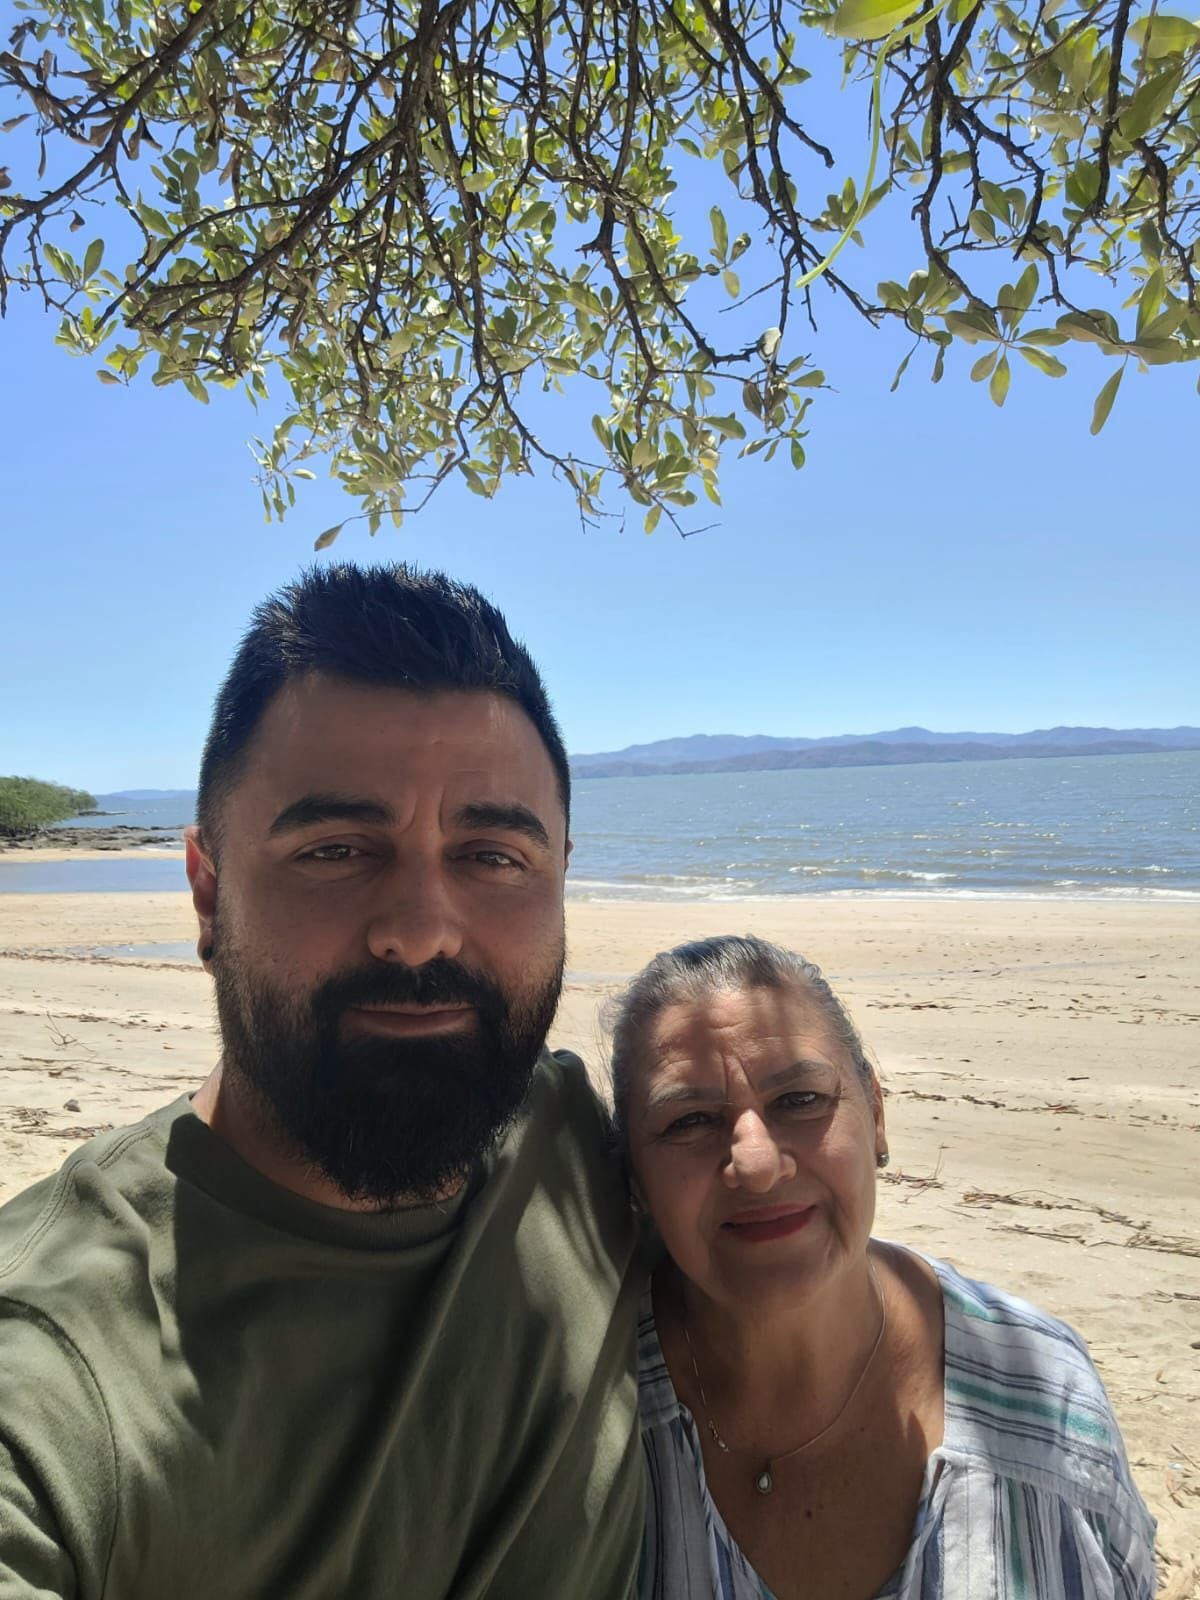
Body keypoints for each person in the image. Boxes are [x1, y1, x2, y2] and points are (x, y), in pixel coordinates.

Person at [0, 564, 644, 1599]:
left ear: (562, 872)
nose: (420, 928)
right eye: (338, 848)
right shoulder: (59, 1365)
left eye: (492, 854)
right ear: (208, 893)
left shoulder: (586, 1151)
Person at [608, 935, 1156, 1600]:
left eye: (801, 1100)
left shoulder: (1046, 1393)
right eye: (689, 1120)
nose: (755, 1165)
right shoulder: (591, 1420)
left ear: (876, 1116)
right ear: (633, 1175)